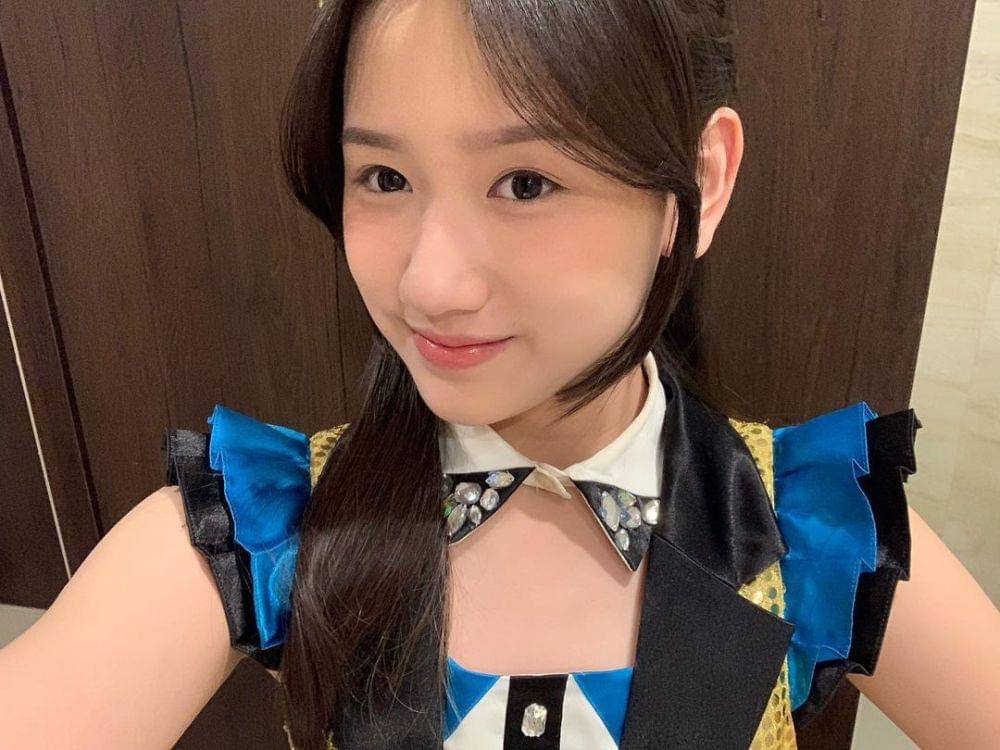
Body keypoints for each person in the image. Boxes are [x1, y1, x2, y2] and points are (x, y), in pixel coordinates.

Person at [2, 0, 999, 748]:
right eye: (385, 178)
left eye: (526, 182)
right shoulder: (264, 526)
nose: (428, 286)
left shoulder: (818, 534)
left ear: (698, 182)